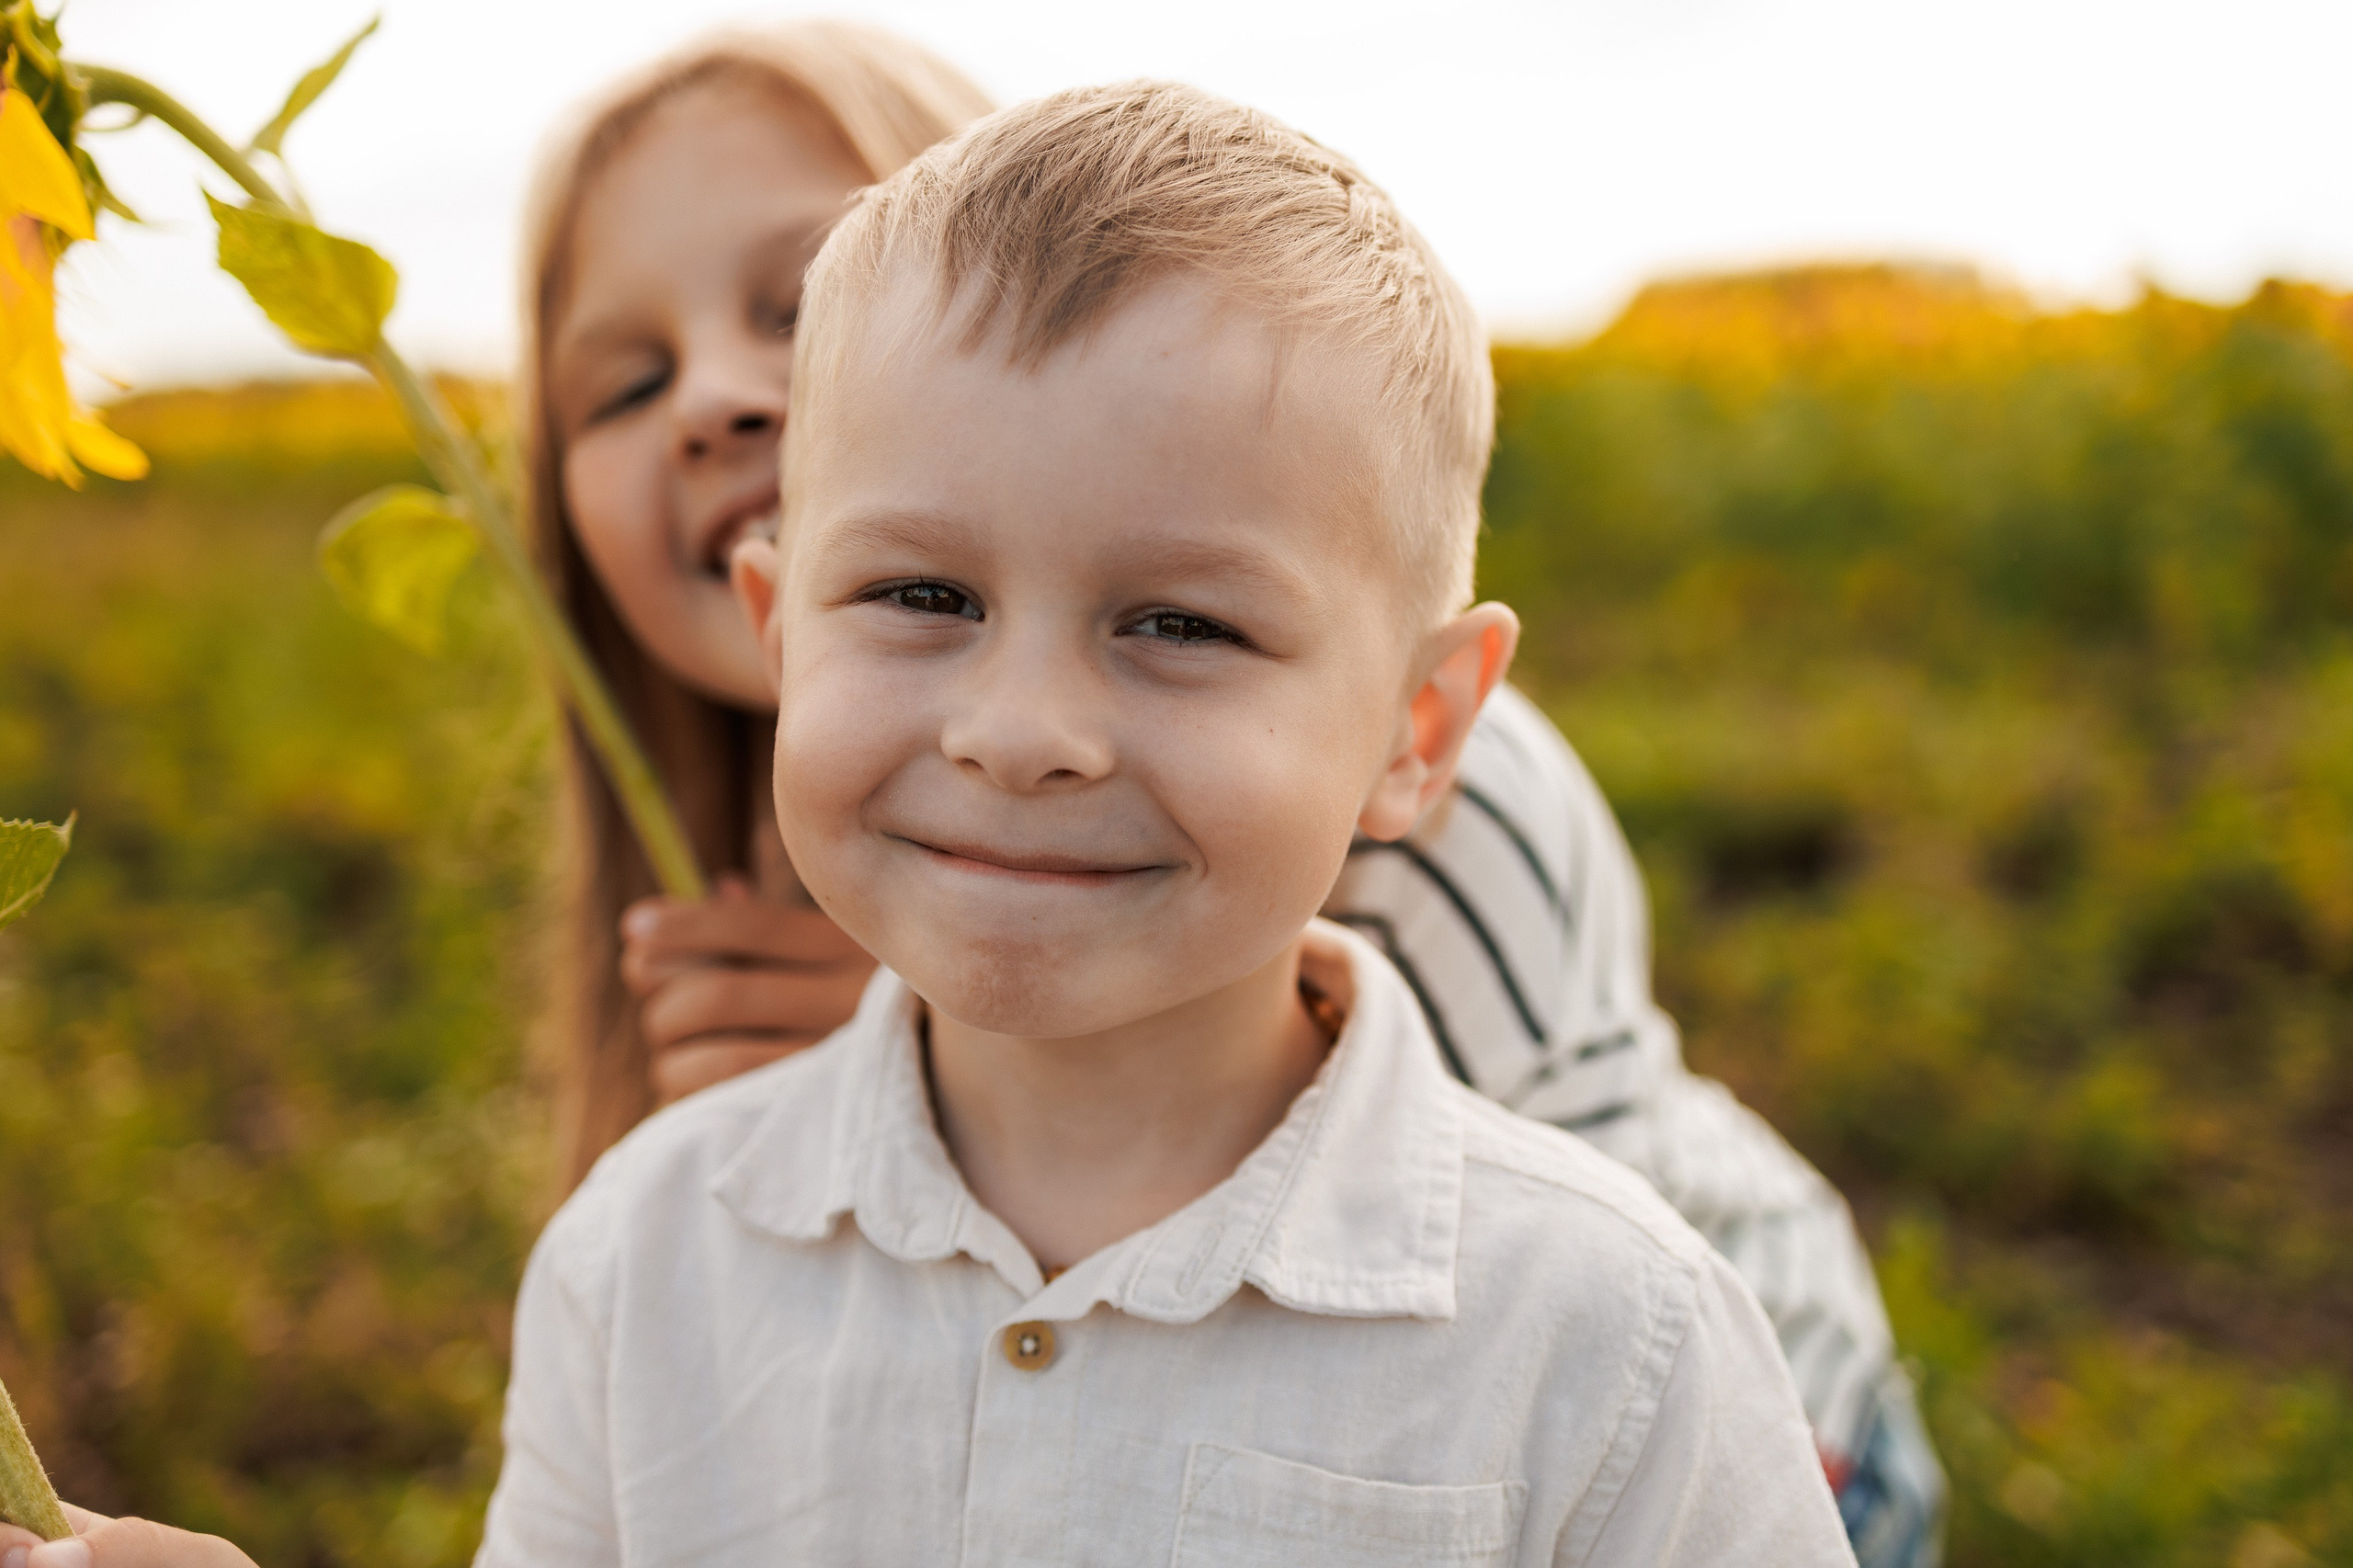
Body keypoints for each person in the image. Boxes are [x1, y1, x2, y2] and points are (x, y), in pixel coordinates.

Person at [528, 22, 1944, 1562]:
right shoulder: (642, 1251)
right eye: (923, 595)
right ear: (776, 618)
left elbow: (1451, 1296)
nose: (1020, 734)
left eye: (1182, 624)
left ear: (1418, 729)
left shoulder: (1609, 1311)